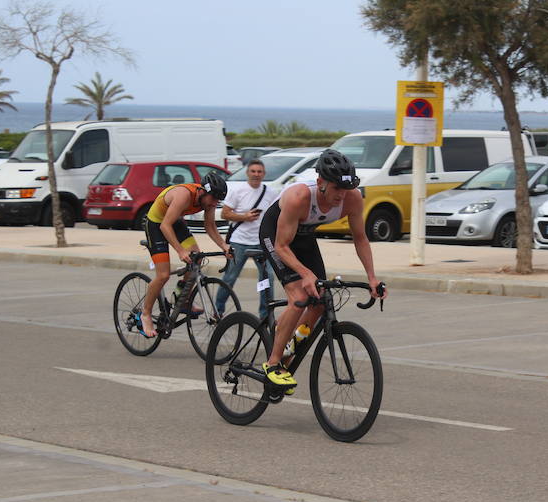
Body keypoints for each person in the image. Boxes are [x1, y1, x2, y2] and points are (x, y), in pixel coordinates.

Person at [258, 149, 387, 392]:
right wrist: (305, 274)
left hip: (305, 237)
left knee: (318, 302)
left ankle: (288, 349)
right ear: (320, 183)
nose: (341, 194)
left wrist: (372, 277)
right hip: (277, 236)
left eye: (345, 188)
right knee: (299, 295)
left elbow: (360, 238)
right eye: (336, 188)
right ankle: (273, 363)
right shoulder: (299, 197)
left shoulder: (352, 198)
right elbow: (281, 246)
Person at [138, 172, 232, 338]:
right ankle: (145, 314)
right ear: (203, 191)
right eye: (213, 199)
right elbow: (165, 226)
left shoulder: (208, 201)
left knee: (197, 256)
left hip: (175, 222)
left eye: (218, 200)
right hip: (156, 224)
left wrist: (224, 245)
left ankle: (180, 298)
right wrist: (180, 251)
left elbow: (210, 226)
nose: (215, 203)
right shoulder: (184, 195)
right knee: (163, 275)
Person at [216, 158, 279, 319]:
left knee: (267, 278)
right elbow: (225, 213)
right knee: (230, 277)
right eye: (253, 171)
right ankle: (218, 310)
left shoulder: (270, 193)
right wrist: (244, 216)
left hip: (261, 243)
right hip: (239, 241)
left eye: (259, 172)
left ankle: (265, 316)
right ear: (247, 173)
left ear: (264, 174)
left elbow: (276, 216)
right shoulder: (238, 190)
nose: (256, 174)